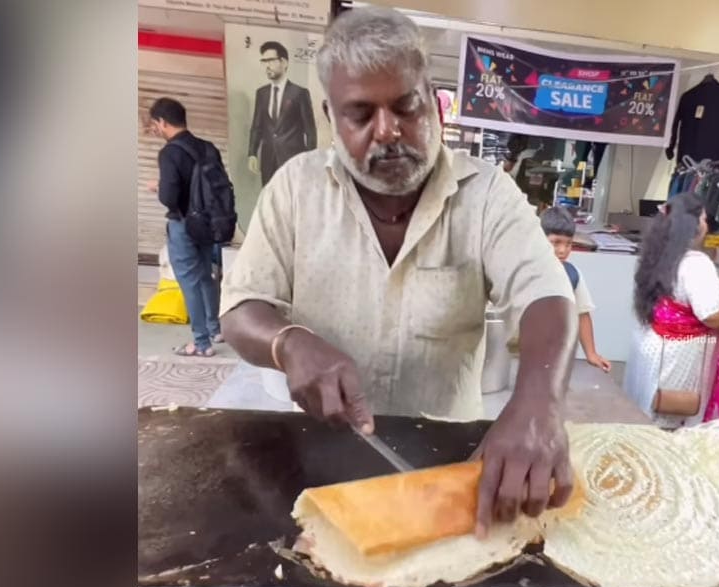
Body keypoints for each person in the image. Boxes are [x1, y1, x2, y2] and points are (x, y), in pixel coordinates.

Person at [220, 7, 578, 533]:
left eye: (406, 107)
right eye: (361, 115)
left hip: (450, 462)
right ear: (330, 115)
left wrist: (538, 402)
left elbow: (546, 294)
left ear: (432, 100)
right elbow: (240, 307)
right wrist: (288, 343)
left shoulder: (486, 195)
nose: (388, 132)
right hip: (320, 457)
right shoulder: (295, 189)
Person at [621, 193, 719, 428]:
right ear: (690, 225)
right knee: (670, 421)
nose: (706, 224)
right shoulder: (695, 263)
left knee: (646, 412)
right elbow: (710, 314)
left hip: (652, 344)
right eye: (702, 218)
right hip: (679, 354)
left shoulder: (656, 255)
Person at [147, 97, 224, 357]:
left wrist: (159, 188)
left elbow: (169, 197)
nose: (154, 129)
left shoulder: (170, 153)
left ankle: (201, 343)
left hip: (183, 224)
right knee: (206, 275)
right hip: (209, 223)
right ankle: (215, 329)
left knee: (189, 281)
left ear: (162, 122)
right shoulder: (208, 148)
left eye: (154, 124)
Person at [540, 207, 611, 372]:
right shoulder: (524, 271)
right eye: (556, 243)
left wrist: (591, 353)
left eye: (569, 244)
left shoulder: (572, 275)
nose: (563, 250)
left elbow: (582, 314)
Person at [247, 40, 317, 185]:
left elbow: (310, 130)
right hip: (268, 159)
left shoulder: (299, 93)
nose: (267, 66)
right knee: (269, 200)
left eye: (271, 61)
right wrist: (252, 153)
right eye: (264, 61)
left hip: (293, 160)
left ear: (284, 62)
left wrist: (309, 161)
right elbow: (257, 126)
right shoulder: (262, 93)